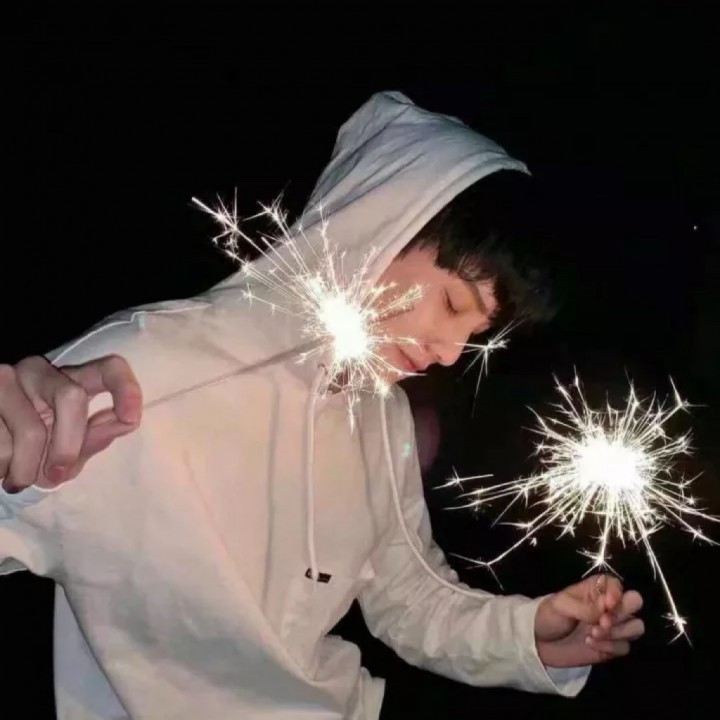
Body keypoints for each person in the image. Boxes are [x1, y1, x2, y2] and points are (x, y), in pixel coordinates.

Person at [0, 91, 644, 720]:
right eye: (452, 302)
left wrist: (528, 636)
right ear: (374, 222)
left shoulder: (381, 415)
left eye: (475, 332)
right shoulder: (140, 367)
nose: (452, 352)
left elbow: (408, 596)